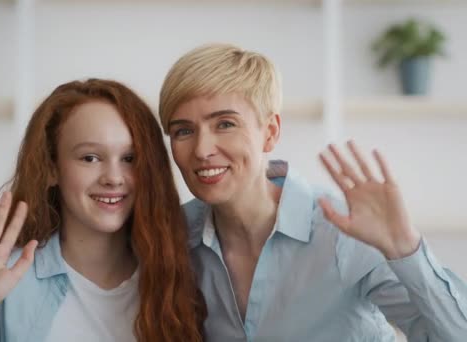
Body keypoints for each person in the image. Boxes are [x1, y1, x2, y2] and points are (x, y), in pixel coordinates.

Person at [158, 43, 467, 341]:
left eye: (225, 124)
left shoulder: (344, 232)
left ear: (270, 133)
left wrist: (405, 249)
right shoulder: (173, 234)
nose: (202, 150)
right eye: (183, 130)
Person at [0, 79, 206, 342]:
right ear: (51, 168)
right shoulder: (6, 277)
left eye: (130, 159)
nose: (114, 178)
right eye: (90, 158)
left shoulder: (186, 268)